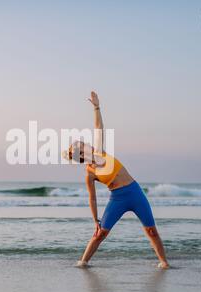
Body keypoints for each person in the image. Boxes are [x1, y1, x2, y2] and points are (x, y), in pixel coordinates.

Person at [63, 91, 170, 269]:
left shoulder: (100, 151)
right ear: (80, 156)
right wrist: (94, 219)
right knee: (100, 233)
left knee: (151, 231)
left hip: (135, 192)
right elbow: (92, 198)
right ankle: (83, 262)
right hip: (117, 199)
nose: (86, 148)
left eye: (84, 145)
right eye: (81, 150)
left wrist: (96, 107)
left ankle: (164, 263)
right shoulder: (89, 173)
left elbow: (99, 127)